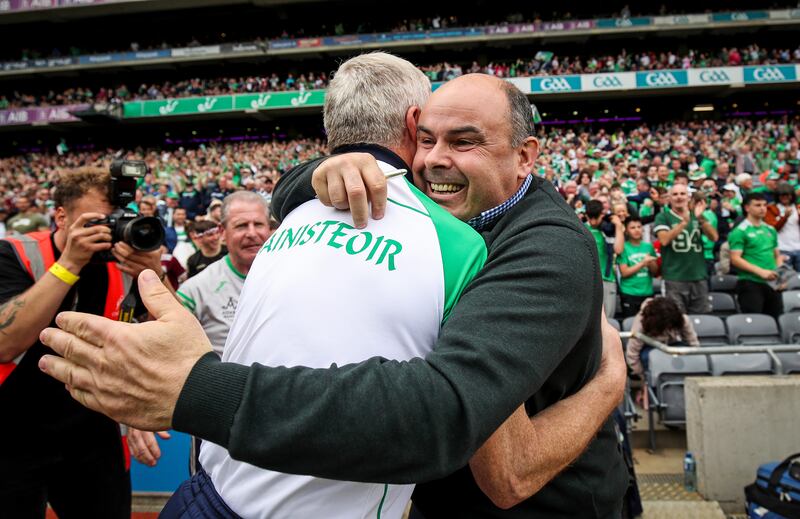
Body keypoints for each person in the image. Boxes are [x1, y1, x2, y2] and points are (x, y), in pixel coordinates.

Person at [38, 65, 629, 516]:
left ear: (524, 155)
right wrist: (332, 165)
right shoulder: (420, 209)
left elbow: (504, 471)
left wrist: (609, 385)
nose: (434, 162)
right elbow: (293, 190)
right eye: (426, 139)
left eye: (465, 142)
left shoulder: (548, 246)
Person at [0, 167, 165, 518]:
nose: (109, 230)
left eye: (116, 220)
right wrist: (69, 264)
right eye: (97, 221)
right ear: (61, 216)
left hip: (93, 432)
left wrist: (154, 275)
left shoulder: (123, 262)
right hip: (12, 432)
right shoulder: (14, 252)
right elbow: (5, 343)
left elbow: (164, 340)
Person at [129, 191, 272, 472]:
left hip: (280, 409)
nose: (252, 234)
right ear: (222, 232)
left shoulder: (292, 275)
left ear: (271, 229)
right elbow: (160, 341)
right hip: (218, 417)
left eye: (259, 225)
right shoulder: (199, 287)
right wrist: (137, 413)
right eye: (241, 226)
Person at [653, 183, 718, 313]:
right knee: (676, 319)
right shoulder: (663, 217)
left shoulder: (697, 216)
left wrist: (701, 218)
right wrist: (683, 223)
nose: (679, 197)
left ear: (689, 197)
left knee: (702, 318)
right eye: (675, 194)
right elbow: (664, 240)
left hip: (698, 276)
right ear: (669, 198)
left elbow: (714, 237)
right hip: (674, 277)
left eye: (682, 194)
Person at [728, 193, 784, 318]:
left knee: (777, 321)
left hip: (772, 283)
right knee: (754, 322)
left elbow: (777, 256)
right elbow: (735, 259)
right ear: (747, 208)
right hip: (751, 282)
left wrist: (781, 276)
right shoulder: (740, 231)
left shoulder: (770, 229)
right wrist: (760, 272)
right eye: (758, 205)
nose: (762, 208)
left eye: (764, 205)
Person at [625, 296, 699, 377]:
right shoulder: (641, 323)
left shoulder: (682, 319)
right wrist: (642, 377)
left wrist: (696, 359)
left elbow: (693, 343)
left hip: (672, 344)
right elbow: (632, 354)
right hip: (649, 347)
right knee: (648, 357)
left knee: (686, 352)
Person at [585, 200, 624, 317]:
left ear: (602, 215)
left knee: (609, 320)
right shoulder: (582, 228)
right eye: (589, 217)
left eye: (595, 218)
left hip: (607, 279)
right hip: (588, 280)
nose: (592, 221)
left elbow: (618, 250)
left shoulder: (609, 229)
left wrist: (618, 226)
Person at [617, 216, 658, 318]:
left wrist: (651, 263)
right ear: (626, 230)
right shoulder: (623, 247)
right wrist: (643, 263)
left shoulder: (648, 246)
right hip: (629, 293)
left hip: (647, 292)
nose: (636, 230)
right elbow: (624, 272)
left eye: (639, 227)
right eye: (632, 227)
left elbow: (655, 272)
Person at [765, 182, 800, 271]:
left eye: (787, 195)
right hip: (782, 249)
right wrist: (785, 217)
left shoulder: (797, 207)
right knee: (785, 279)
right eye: (782, 195)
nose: (785, 198)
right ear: (778, 196)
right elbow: (772, 229)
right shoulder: (771, 209)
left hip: (798, 248)